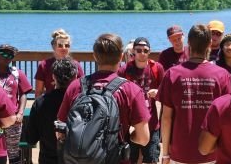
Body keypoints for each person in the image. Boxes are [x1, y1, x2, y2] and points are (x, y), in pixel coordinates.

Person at [57, 33, 151, 164]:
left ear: (95, 56)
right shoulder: (131, 90)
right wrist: (127, 137)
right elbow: (143, 138)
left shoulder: (76, 86)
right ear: (121, 56)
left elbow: (60, 130)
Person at [158, 24, 231, 164]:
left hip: (180, 152)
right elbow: (227, 117)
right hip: (212, 152)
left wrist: (165, 154)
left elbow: (166, 118)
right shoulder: (222, 75)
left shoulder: (173, 74)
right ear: (210, 43)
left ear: (188, 43)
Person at [117, 37, 165, 164]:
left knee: (152, 158)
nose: (142, 53)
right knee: (130, 159)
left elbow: (166, 92)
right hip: (129, 123)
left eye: (145, 50)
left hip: (151, 122)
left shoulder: (157, 68)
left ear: (149, 52)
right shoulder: (124, 70)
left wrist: (158, 93)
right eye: (139, 50)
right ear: (134, 51)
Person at [27, 58, 78, 164]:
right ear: (75, 77)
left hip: (48, 159)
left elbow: (31, 138)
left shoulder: (40, 103)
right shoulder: (81, 102)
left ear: (53, 77)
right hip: (76, 159)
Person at [0, 44, 33, 164]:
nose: (6, 57)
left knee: (14, 153)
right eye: (3, 54)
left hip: (13, 119)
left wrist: (21, 112)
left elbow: (23, 94)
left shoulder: (17, 74)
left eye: (10, 55)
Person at [34, 29, 84, 97]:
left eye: (67, 45)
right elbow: (38, 92)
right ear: (53, 47)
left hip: (71, 103)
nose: (64, 48)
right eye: (60, 45)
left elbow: (82, 88)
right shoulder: (44, 65)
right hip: (51, 102)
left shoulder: (76, 65)